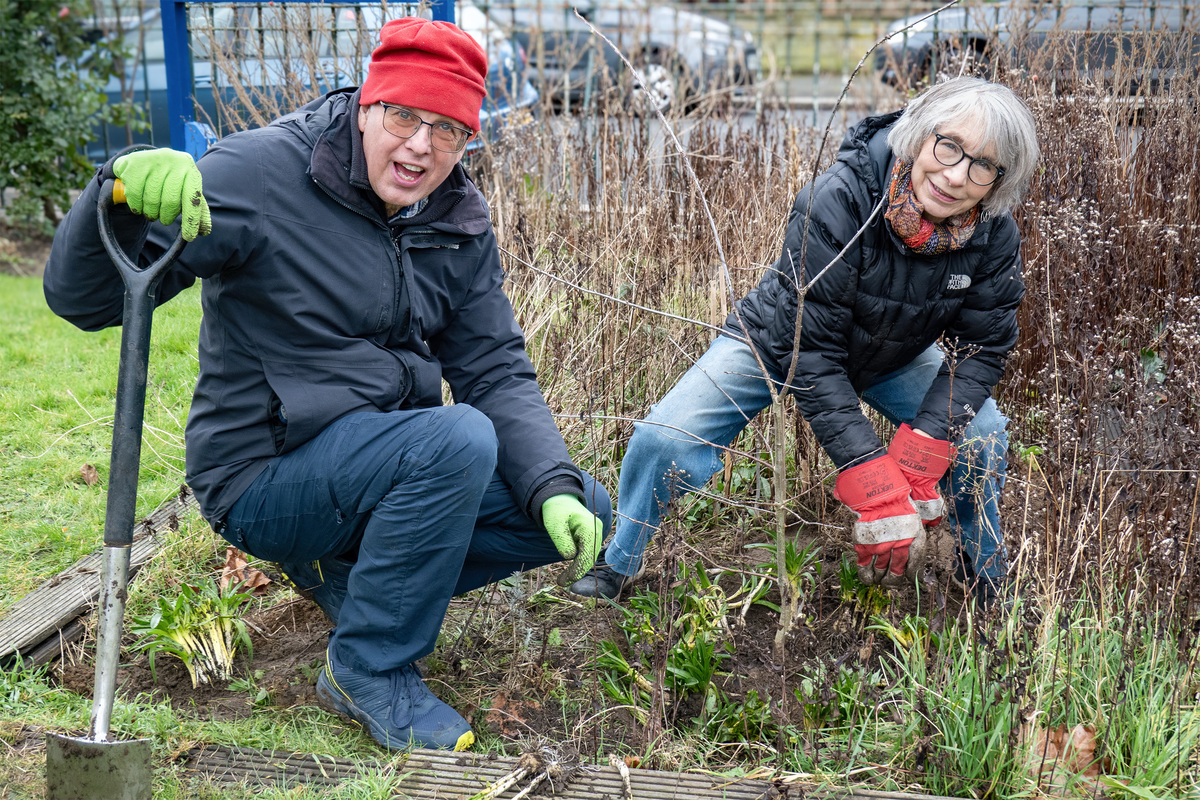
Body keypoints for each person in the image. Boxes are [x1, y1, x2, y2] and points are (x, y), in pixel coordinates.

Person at [44, 17, 611, 752]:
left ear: (469, 141)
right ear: (367, 104)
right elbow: (88, 302)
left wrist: (548, 481)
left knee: (572, 500)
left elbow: (493, 365)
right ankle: (368, 671)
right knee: (455, 440)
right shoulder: (259, 176)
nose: (419, 146)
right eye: (403, 115)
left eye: (447, 130)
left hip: (380, 464)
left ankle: (352, 582)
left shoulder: (456, 218)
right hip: (262, 472)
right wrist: (112, 199)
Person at [570, 77, 1038, 609]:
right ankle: (618, 562)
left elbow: (982, 347)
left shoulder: (993, 233)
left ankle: (985, 575)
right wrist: (871, 473)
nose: (956, 176)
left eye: (983, 166)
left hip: (892, 356)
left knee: (982, 434)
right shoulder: (838, 199)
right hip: (777, 342)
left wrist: (922, 449)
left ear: (999, 182)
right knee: (664, 439)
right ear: (919, 134)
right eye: (948, 146)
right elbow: (811, 354)